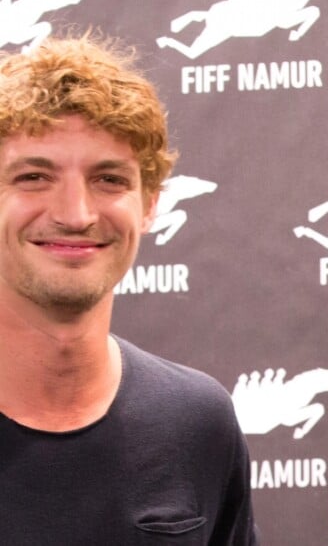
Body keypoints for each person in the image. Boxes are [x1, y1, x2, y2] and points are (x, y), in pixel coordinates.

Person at [0, 34, 258, 545]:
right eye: (33, 177)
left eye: (109, 180)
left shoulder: (197, 421)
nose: (75, 214)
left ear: (149, 204)